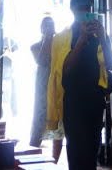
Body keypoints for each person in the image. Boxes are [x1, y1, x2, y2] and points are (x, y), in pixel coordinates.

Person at [47, 0, 112, 170]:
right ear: (72, 10)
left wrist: (102, 38)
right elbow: (64, 71)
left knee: (92, 153)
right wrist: (81, 40)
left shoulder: (98, 34)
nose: (85, 11)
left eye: (88, 8)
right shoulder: (62, 38)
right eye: (81, 8)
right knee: (76, 154)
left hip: (94, 101)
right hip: (73, 104)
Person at [30, 16, 64, 162]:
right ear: (41, 29)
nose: (49, 28)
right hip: (42, 91)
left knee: (59, 127)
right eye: (46, 26)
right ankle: (30, 159)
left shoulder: (60, 45)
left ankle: (54, 162)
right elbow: (41, 60)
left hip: (58, 89)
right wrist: (47, 38)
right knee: (39, 123)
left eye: (51, 25)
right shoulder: (35, 46)